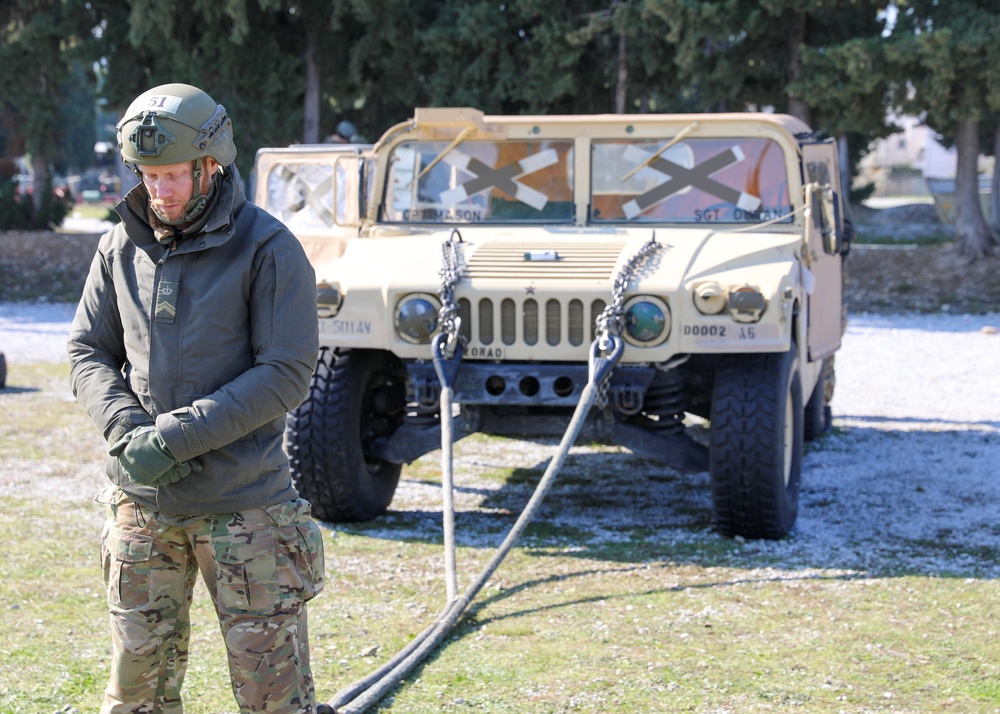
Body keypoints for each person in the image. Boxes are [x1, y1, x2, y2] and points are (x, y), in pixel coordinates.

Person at [68, 83, 325, 714]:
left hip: (246, 511)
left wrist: (174, 437)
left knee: (274, 698)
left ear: (212, 165)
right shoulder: (117, 246)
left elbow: (287, 371)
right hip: (142, 507)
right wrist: (127, 427)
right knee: (136, 697)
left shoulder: (268, 248)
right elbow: (87, 352)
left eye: (174, 175)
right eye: (147, 176)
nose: (160, 190)